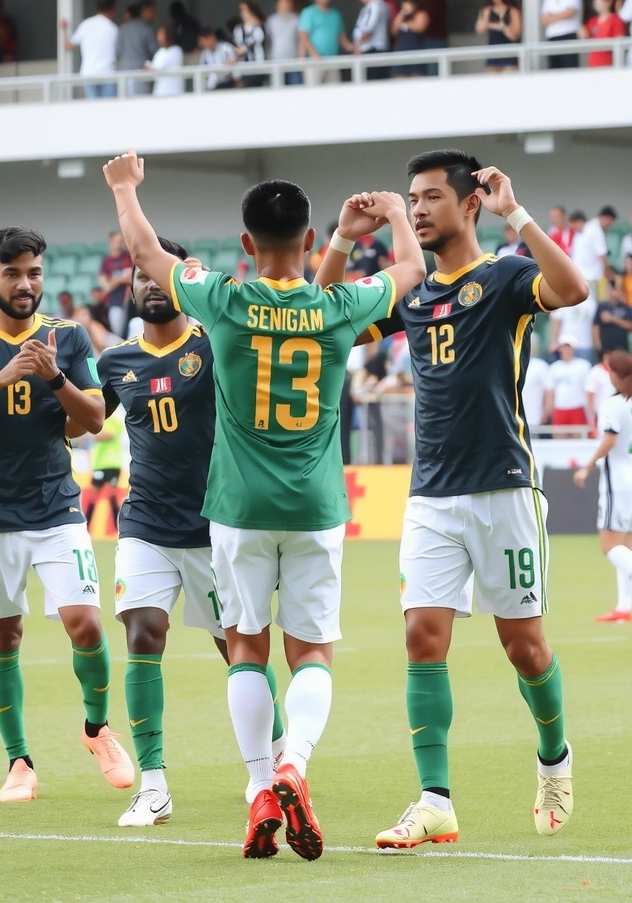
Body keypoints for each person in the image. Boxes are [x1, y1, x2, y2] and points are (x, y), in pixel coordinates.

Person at [103, 148, 425, 860]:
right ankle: (294, 766)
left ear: (246, 245)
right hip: (314, 505)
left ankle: (258, 788)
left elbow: (146, 252)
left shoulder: (222, 297)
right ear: (308, 242)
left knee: (246, 648)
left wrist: (125, 187)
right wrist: (395, 216)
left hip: (236, 508)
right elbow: (410, 273)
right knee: (311, 649)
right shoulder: (339, 305)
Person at [314, 152, 589, 846]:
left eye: (433, 197)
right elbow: (319, 318)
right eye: (413, 199)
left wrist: (516, 213)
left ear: (470, 203)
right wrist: (345, 238)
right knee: (421, 637)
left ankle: (555, 760)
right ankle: (434, 799)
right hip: (432, 494)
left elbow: (574, 287)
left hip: (504, 488)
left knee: (523, 647)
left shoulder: (503, 277)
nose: (420, 209)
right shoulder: (412, 292)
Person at [0, 226, 132, 803]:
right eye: (12, 273)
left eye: (34, 272)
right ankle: (18, 762)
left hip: (57, 507)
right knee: (3, 636)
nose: (25, 283)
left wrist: (52, 376)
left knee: (85, 622)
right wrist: (1, 376)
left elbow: (93, 417)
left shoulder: (68, 337)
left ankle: (97, 729)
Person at [96, 238, 288, 826]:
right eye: (142, 276)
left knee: (237, 649)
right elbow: (81, 421)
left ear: (181, 282)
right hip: (145, 522)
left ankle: (279, 763)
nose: (152, 285)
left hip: (215, 527)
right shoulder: (116, 362)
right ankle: (152, 785)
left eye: (162, 275)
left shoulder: (215, 345)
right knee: (142, 633)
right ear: (130, 287)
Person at [573, 350, 632, 623]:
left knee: (609, 546)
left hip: (621, 481)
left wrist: (587, 466)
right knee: (626, 546)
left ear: (615, 375)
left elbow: (610, 440)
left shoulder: (614, 404)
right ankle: (624, 608)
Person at [60, 0, 119, 99]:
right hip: (108, 74)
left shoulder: (86, 25)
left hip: (89, 74)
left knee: (93, 111)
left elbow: (68, 46)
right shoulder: (114, 29)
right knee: (110, 112)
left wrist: (64, 29)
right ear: (114, 7)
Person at [298, 0, 351, 85]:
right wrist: (315, 55)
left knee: (334, 91)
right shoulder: (309, 12)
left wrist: (352, 48)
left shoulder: (336, 15)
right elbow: (303, 36)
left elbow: (341, 37)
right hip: (314, 61)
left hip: (332, 60)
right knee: (313, 92)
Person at [84, 404, 123, 529]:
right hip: (98, 464)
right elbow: (91, 436)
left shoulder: (114, 417)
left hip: (112, 463)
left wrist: (98, 436)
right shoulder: (94, 418)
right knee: (93, 497)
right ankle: (86, 527)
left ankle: (119, 528)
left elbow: (111, 434)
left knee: (112, 496)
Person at [541, 0, 583, 68]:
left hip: (569, 36)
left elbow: (569, 13)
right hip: (552, 38)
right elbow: (543, 20)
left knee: (570, 68)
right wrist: (560, 15)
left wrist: (552, 16)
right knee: (555, 68)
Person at [476, 0, 521, 73]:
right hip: (493, 50)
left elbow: (516, 32)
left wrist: (501, 27)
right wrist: (490, 21)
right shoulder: (487, 10)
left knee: (509, 77)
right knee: (491, 80)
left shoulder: (512, 10)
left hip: (509, 50)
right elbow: (479, 29)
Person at [571, 206, 616, 297]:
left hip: (585, 277)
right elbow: (603, 258)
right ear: (607, 219)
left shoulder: (591, 229)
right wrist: (612, 281)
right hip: (587, 279)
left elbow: (601, 256)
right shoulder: (595, 230)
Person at [116, 2, 158, 97]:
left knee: (124, 101)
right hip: (141, 70)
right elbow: (154, 49)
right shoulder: (146, 28)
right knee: (142, 102)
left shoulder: (122, 28)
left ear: (129, 14)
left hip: (124, 70)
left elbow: (117, 51)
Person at [352, 0, 391, 79]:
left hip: (372, 50)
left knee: (372, 83)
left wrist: (358, 45)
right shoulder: (374, 6)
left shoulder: (375, 6)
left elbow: (369, 28)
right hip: (371, 49)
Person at [98, 231, 133, 337]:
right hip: (115, 302)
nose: (120, 243)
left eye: (121, 241)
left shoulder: (129, 257)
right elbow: (106, 286)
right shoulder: (106, 262)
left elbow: (134, 277)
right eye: (118, 241)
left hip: (131, 302)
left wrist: (116, 279)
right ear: (111, 242)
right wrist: (120, 279)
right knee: (118, 332)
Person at [581, 0, 625, 68]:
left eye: (600, 3)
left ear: (609, 2)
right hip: (593, 63)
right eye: (596, 3)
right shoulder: (592, 21)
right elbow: (585, 39)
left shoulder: (615, 20)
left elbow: (620, 42)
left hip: (609, 63)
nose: (598, 6)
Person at [265, 0, 301, 85]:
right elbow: (268, 41)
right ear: (277, 3)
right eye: (282, 1)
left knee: (296, 92)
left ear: (291, 3)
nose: (285, 4)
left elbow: (301, 40)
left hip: (293, 61)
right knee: (277, 94)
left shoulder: (297, 19)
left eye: (287, 1)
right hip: (276, 61)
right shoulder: (271, 21)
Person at [391, 0, 431, 77]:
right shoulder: (402, 16)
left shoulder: (421, 14)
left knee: (417, 78)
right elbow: (393, 31)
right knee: (400, 78)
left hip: (416, 51)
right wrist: (402, 13)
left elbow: (419, 27)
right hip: (401, 52)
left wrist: (405, 25)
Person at [592, 281, 632, 356]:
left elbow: (631, 326)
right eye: (611, 290)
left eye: (616, 290)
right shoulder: (602, 306)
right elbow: (595, 326)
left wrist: (613, 319)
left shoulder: (625, 307)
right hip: (605, 348)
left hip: (621, 347)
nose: (613, 293)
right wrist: (597, 344)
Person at [232, 0, 267, 87]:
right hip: (243, 68)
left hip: (257, 67)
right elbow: (237, 47)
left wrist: (243, 48)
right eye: (242, 11)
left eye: (246, 10)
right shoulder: (238, 29)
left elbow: (258, 38)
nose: (243, 13)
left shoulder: (258, 28)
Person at [145, 25, 184, 97]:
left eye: (161, 34)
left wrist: (150, 68)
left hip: (173, 92)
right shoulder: (161, 51)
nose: (159, 37)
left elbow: (157, 68)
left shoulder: (176, 50)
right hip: (160, 91)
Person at [522, 339, 553, 430]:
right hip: (514, 416)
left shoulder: (541, 366)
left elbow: (549, 390)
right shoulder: (513, 363)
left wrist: (546, 411)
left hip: (534, 416)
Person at [584, 350, 616, 434]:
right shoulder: (596, 372)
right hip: (602, 414)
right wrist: (592, 420)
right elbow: (589, 396)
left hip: (616, 412)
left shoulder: (620, 372)